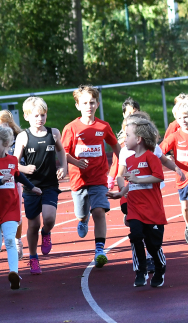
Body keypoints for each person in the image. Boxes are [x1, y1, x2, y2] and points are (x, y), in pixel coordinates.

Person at [113, 111, 184, 273]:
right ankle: (140, 264)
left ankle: (154, 257)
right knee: (136, 230)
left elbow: (164, 160)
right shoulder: (125, 151)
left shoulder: (152, 149)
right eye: (125, 132)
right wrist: (121, 189)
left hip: (151, 196)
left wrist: (176, 168)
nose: (125, 136)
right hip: (132, 195)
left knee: (151, 231)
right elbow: (119, 173)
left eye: (129, 132)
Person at [62, 84, 121, 268]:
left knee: (99, 211)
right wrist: (75, 162)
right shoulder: (71, 128)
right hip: (78, 179)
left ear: (97, 104)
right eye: (85, 103)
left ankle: (100, 249)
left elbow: (116, 147)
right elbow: (62, 152)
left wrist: (120, 167)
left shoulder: (103, 126)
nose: (89, 106)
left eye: (92, 102)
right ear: (78, 105)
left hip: (98, 178)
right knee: (81, 213)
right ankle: (82, 219)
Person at [107, 116, 169, 287]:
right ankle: (140, 270)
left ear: (138, 139)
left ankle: (159, 267)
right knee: (135, 235)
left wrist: (137, 179)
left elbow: (158, 177)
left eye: (127, 135)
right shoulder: (128, 160)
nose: (124, 139)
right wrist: (121, 193)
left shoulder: (151, 157)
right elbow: (132, 182)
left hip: (152, 209)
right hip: (135, 208)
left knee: (153, 244)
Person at [0, 126, 40, 289]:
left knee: (11, 241)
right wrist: (0, 181)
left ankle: (14, 273)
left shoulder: (12, 160)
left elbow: (18, 176)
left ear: (5, 143)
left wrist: (32, 187)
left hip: (11, 208)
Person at [14, 96, 67, 274]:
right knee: (33, 225)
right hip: (31, 186)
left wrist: (64, 166)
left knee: (50, 218)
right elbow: (13, 163)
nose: (40, 119)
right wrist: (24, 168)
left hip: (50, 184)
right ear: (27, 116)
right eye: (36, 115)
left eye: (43, 115)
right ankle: (33, 257)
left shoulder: (54, 133)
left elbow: (61, 150)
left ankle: (47, 232)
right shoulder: (23, 136)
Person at [159, 99, 188, 244]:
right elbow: (159, 150)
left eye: (187, 117)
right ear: (176, 119)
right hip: (181, 176)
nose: (184, 120)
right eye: (180, 118)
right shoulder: (175, 136)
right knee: (184, 207)